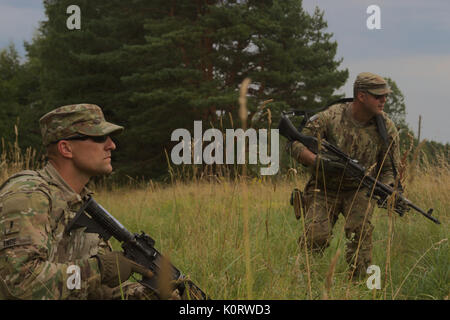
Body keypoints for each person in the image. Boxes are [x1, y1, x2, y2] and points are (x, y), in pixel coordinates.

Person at [0, 104, 179, 299]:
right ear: (66, 148)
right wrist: (99, 268)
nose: (111, 145)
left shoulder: (80, 205)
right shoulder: (28, 194)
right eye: (100, 138)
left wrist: (147, 293)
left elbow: (93, 290)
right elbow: (21, 283)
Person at [287, 72, 401, 278]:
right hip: (323, 187)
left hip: (359, 189)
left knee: (361, 237)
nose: (383, 100)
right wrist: (316, 161)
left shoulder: (386, 127)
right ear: (361, 96)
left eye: (385, 96)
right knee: (316, 236)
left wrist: (388, 188)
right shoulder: (330, 116)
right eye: (378, 96)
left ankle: (361, 287)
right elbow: (294, 144)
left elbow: (389, 168)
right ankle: (300, 280)